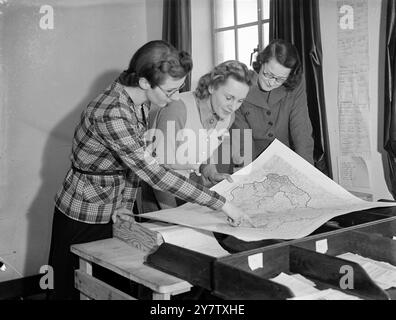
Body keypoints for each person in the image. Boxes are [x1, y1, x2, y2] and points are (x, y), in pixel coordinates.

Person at [48, 40, 250, 300]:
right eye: (170, 90)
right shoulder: (112, 112)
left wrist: (123, 204)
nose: (176, 97)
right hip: (83, 212)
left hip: (112, 207)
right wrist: (221, 203)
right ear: (144, 82)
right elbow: (152, 172)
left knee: (111, 288)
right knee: (69, 289)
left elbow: (132, 163)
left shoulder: (137, 102)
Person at [144, 60, 253, 209]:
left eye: (240, 101)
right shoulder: (177, 108)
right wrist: (172, 214)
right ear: (212, 87)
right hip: (160, 191)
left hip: (192, 187)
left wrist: (211, 172)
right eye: (228, 98)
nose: (233, 107)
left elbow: (204, 150)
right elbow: (159, 166)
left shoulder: (228, 116)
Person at [230, 39, 314, 170]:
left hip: (287, 158)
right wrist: (248, 174)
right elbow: (243, 141)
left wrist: (308, 172)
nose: (271, 82)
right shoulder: (241, 87)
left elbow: (301, 130)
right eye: (268, 74)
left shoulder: (295, 85)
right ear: (261, 62)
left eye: (280, 79)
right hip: (254, 159)